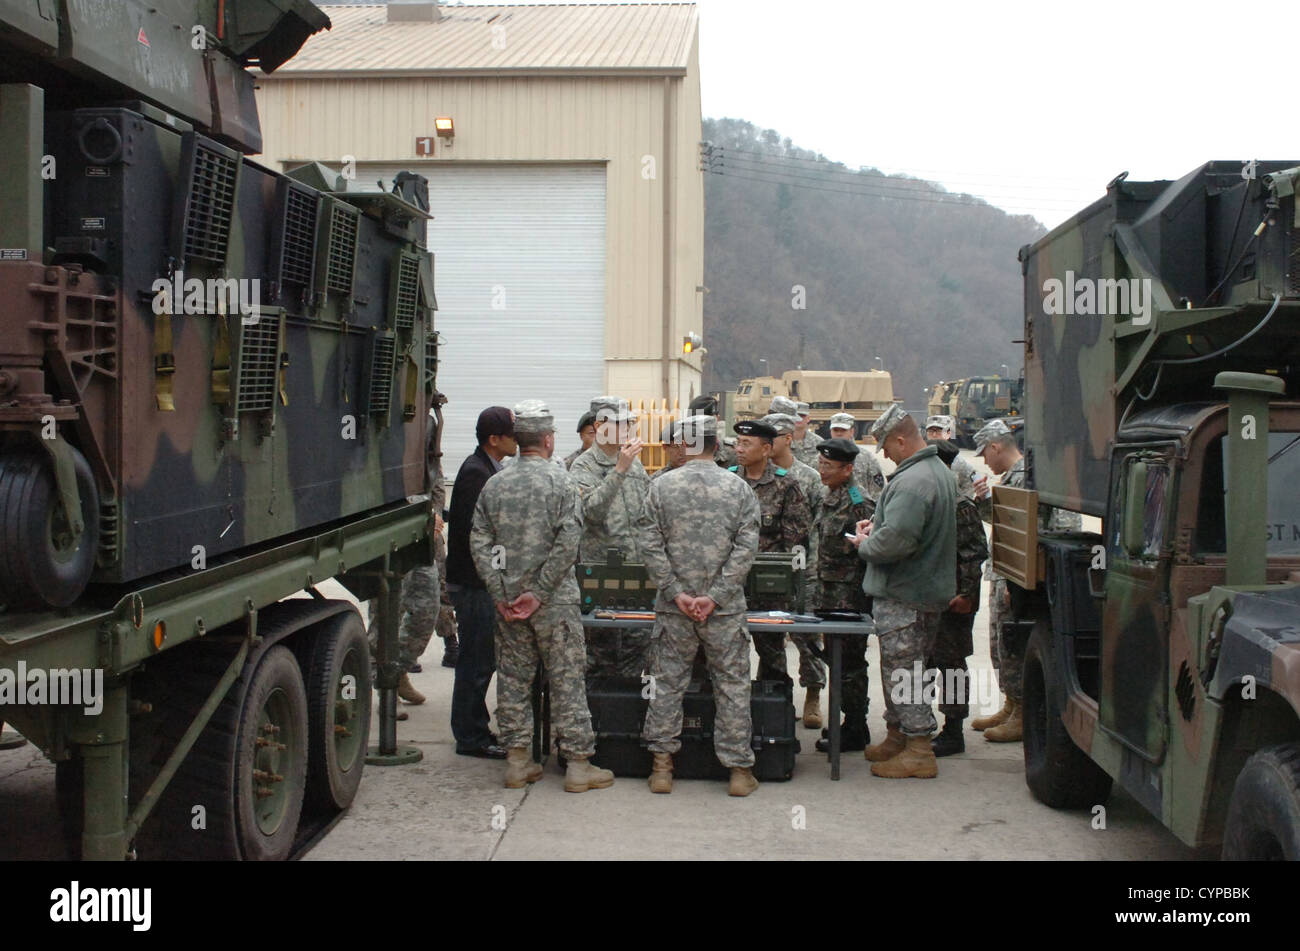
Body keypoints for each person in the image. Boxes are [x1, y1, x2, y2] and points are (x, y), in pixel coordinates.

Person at [469, 400, 614, 793]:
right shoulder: (562, 481)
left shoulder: (495, 483)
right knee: (567, 681)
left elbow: (478, 540)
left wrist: (502, 593)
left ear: (518, 442)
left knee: (513, 681)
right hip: (555, 604)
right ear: (549, 440)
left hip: (509, 603)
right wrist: (540, 592)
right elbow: (569, 542)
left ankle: (518, 762)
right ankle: (578, 766)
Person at [639, 415, 761, 797]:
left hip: (674, 609)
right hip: (722, 611)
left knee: (666, 686)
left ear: (685, 444)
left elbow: (649, 544)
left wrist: (677, 592)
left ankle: (662, 768)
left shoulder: (660, 487)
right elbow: (747, 548)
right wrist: (716, 596)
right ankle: (739, 770)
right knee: (732, 687)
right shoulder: (739, 489)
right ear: (716, 444)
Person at [850, 404, 956, 779]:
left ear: (900, 439)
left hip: (904, 594)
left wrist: (864, 544)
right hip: (920, 590)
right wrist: (877, 525)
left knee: (905, 672)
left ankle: (918, 748)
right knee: (906, 667)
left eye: (885, 445)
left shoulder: (913, 482)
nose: (882, 453)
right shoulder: (934, 473)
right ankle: (898, 735)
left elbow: (896, 542)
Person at [969, 418, 1081, 742]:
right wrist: (985, 502)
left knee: (1012, 643)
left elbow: (1036, 528)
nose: (983, 460)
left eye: (984, 453)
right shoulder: (1014, 476)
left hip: (1015, 576)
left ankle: (1021, 711)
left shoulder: (1026, 475)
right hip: (1005, 572)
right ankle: (1011, 702)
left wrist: (1017, 584)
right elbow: (1004, 521)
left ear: (996, 446)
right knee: (1001, 644)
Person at [445, 406, 517, 759]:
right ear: (494, 439)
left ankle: (474, 730)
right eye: (511, 434)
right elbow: (477, 535)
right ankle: (470, 737)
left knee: (480, 659)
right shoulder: (477, 473)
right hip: (474, 584)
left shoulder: (489, 468)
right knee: (475, 661)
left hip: (478, 583)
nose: (517, 440)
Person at [569, 396, 652, 680]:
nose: (628, 429)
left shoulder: (633, 463)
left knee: (637, 645)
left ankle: (625, 712)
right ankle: (601, 714)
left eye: (630, 423)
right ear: (600, 425)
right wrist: (619, 472)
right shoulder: (584, 466)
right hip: (603, 575)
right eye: (621, 423)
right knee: (601, 652)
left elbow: (646, 513)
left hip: (637, 572)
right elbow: (591, 511)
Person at [731, 418, 812, 685]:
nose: (739, 449)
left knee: (772, 656)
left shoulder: (786, 485)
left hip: (769, 587)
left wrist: (790, 589)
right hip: (729, 584)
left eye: (746, 443)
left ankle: (774, 710)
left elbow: (796, 541)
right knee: (728, 656)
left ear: (766, 449)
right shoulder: (728, 481)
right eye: (738, 443)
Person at [809, 437, 876, 753]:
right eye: (821, 464)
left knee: (849, 664)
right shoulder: (830, 495)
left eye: (829, 466)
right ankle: (850, 723)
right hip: (828, 594)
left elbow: (868, 550)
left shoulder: (857, 501)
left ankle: (856, 725)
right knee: (837, 662)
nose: (823, 471)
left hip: (849, 597)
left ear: (848, 468)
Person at [761, 411, 826, 729]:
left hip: (804, 571)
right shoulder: (757, 475)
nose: (766, 442)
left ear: (788, 439)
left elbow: (819, 525)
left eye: (772, 436)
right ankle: (775, 696)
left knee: (807, 636)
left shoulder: (808, 477)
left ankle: (813, 695)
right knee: (768, 638)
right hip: (766, 572)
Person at [927, 439, 989, 757]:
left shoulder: (961, 505)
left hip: (953, 601)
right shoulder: (933, 499)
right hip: (929, 597)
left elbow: (975, 554)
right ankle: (917, 725)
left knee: (951, 664)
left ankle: (953, 730)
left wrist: (967, 595)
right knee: (922, 662)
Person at [827, 412, 885, 502]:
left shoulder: (867, 458)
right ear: (830, 432)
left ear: (852, 432)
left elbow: (877, 492)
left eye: (843, 430)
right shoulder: (822, 458)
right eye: (835, 430)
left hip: (859, 510)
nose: (839, 434)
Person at [925, 414, 976, 501]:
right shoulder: (921, 457)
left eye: (938, 431)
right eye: (930, 431)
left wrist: (958, 504)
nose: (934, 435)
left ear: (948, 434)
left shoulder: (958, 462)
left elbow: (969, 486)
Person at [689, 393, 737, 467]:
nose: (704, 424)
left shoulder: (731, 453)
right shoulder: (682, 453)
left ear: (717, 419)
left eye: (708, 420)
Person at [791, 400, 824, 465]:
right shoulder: (782, 441)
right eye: (796, 415)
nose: (799, 418)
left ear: (808, 418)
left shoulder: (819, 442)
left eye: (802, 415)